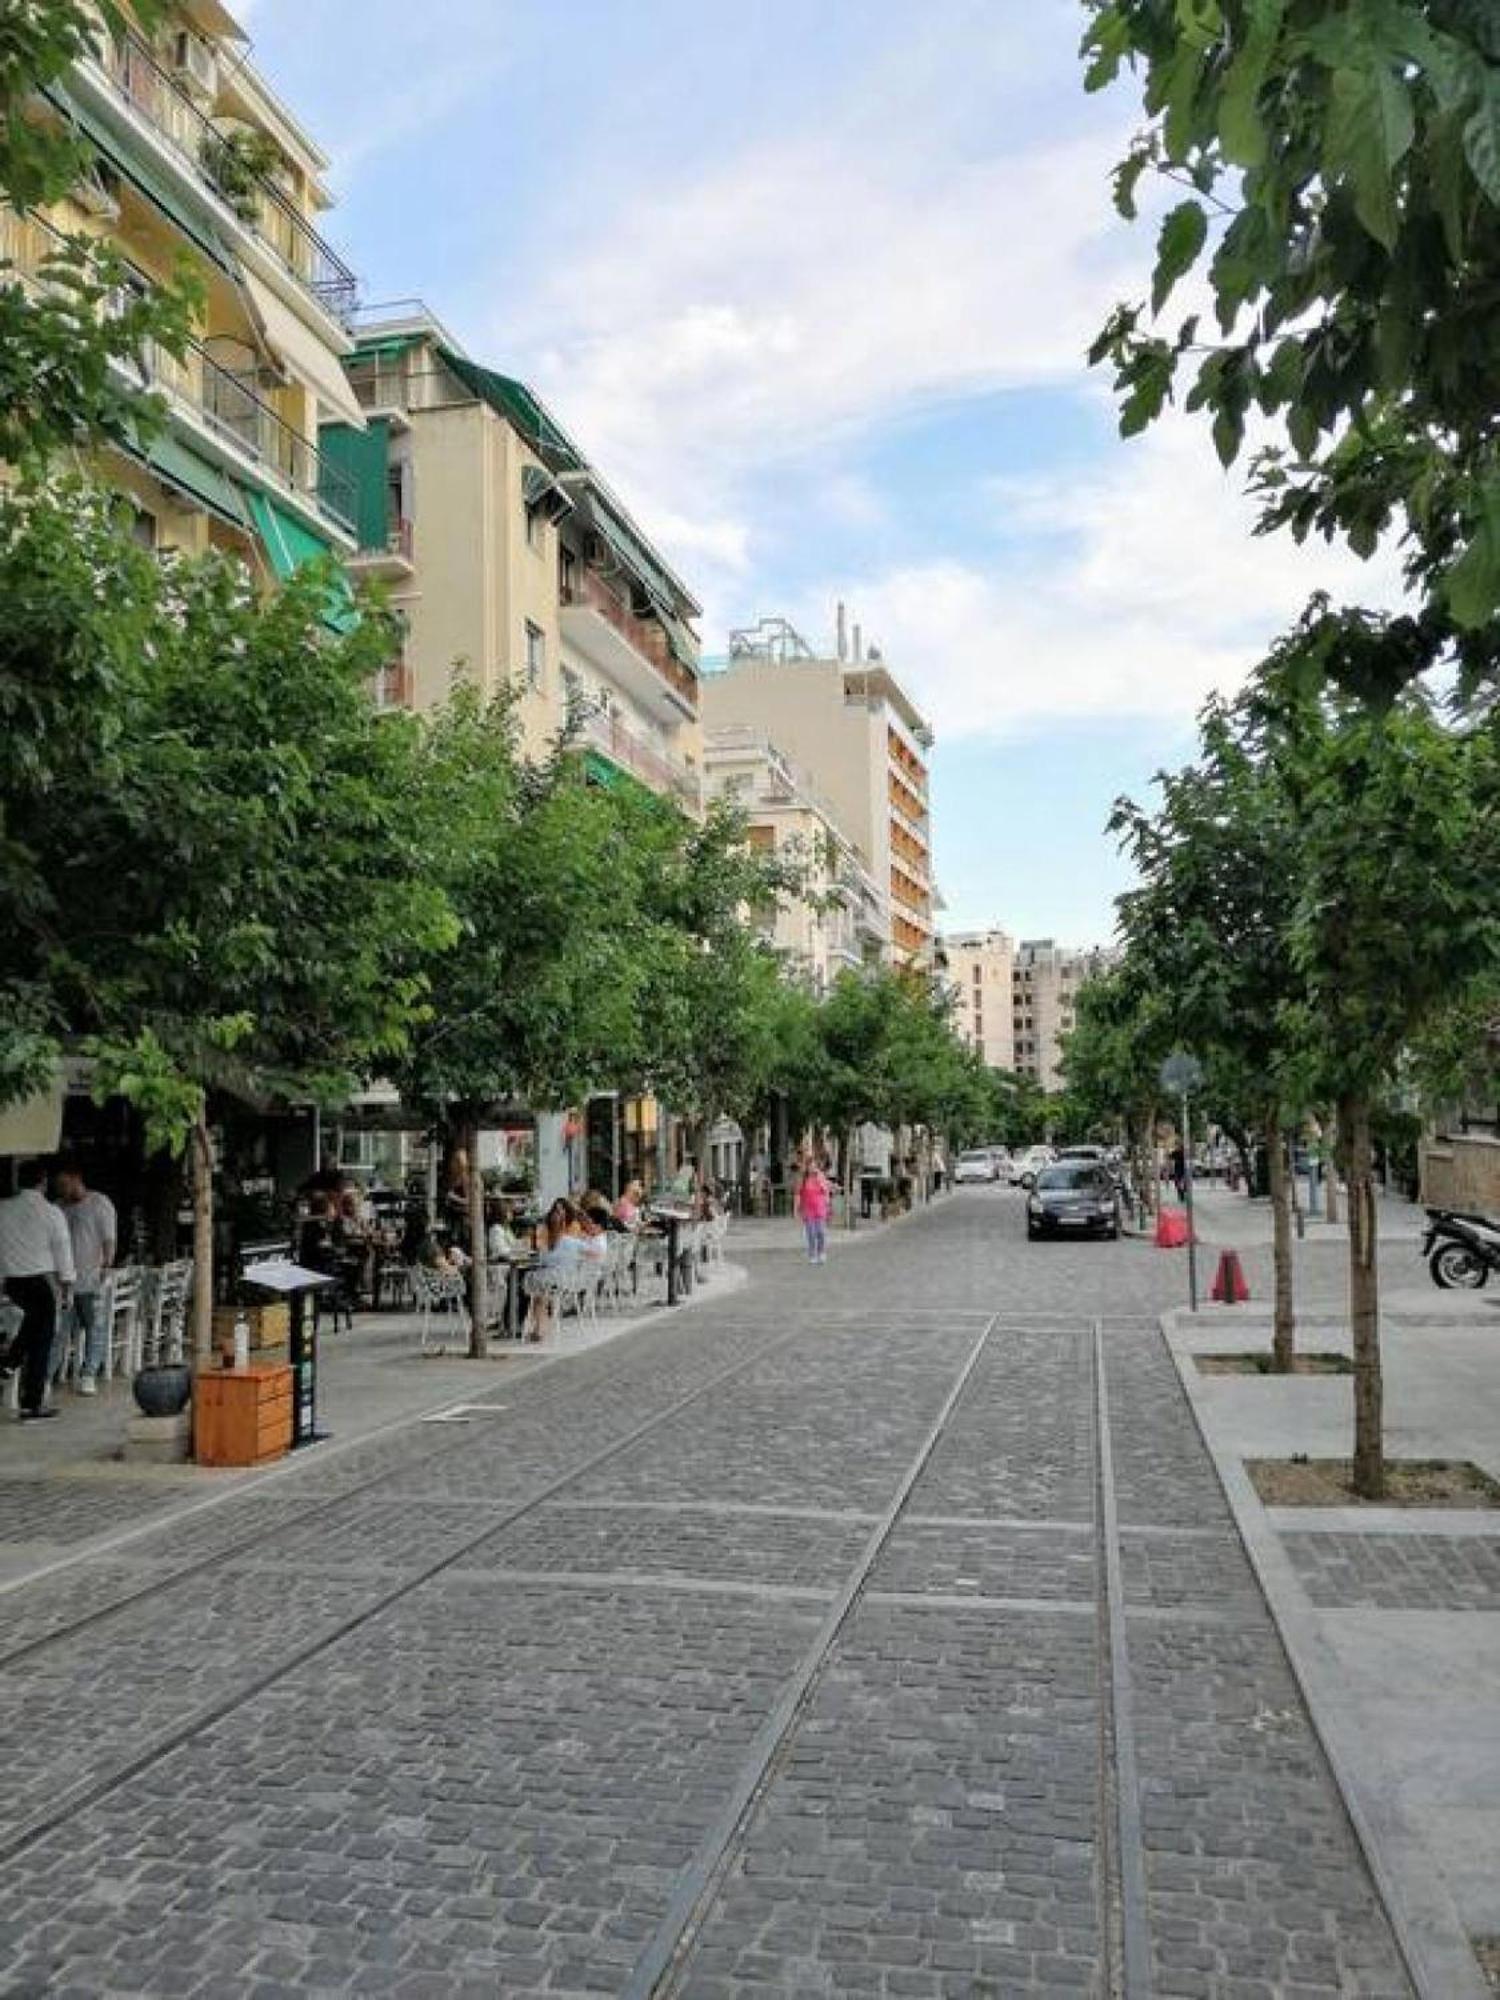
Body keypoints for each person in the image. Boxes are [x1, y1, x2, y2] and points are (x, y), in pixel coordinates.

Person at [0, 1159, 75, 1421]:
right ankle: (32, 1403)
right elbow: (63, 1251)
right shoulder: (51, 1212)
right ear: (42, 1182)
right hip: (40, 1281)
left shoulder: (3, 1210)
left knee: (32, 1326)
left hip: (12, 1281)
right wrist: (67, 1285)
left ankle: (10, 1362)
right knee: (42, 1340)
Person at [52, 1158, 116, 1395]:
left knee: (94, 1327)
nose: (62, 1190)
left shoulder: (100, 1203)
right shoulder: (58, 1207)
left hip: (91, 1276)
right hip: (64, 1281)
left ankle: (89, 1373)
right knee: (59, 1330)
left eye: (65, 1184)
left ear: (77, 1178)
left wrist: (107, 1265)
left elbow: (109, 1238)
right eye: (59, 1186)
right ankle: (49, 1374)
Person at [795, 1154, 833, 1266]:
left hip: (820, 1208)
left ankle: (821, 1252)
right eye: (810, 1166)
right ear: (807, 1167)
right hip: (808, 1209)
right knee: (811, 1233)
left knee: (820, 1232)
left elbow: (826, 1190)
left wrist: (828, 1205)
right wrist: (796, 1209)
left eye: (814, 1165)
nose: (812, 1168)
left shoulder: (820, 1176)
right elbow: (798, 1193)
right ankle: (812, 1255)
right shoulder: (803, 1179)